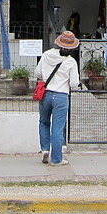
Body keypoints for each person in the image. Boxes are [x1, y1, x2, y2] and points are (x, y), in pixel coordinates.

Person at [34, 30, 80, 166]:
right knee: (58, 128)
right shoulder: (71, 62)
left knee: (43, 122)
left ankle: (44, 149)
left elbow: (38, 73)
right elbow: (74, 83)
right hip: (61, 96)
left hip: (46, 94)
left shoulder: (47, 55)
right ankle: (56, 159)